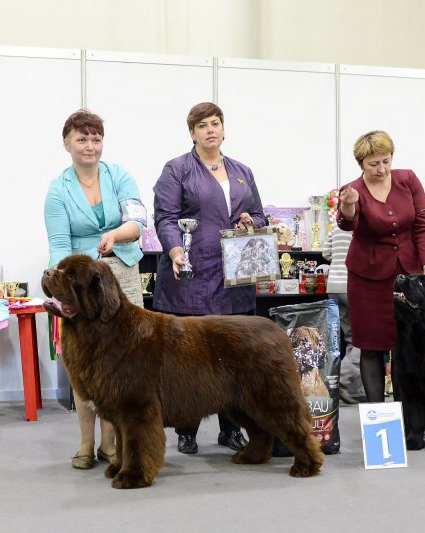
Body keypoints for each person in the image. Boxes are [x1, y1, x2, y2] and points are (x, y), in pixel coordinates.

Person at [152, 102, 267, 455]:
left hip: (234, 276)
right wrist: (175, 250)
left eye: (215, 123)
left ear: (224, 129)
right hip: (192, 275)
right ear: (192, 133)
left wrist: (251, 222)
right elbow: (166, 217)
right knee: (188, 359)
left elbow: (260, 214)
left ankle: (230, 429)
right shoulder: (177, 169)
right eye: (202, 125)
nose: (210, 130)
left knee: (232, 356)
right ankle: (186, 431)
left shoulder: (242, 171)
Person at [44, 109, 146, 469]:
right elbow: (59, 248)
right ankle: (86, 444)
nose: (90, 146)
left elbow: (137, 222)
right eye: (82, 139)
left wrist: (114, 235)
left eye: (96, 139)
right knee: (84, 364)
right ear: (67, 143)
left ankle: (110, 443)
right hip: (81, 286)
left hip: (124, 275)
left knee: (121, 363)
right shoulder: (58, 191)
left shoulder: (120, 176)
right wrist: (75, 278)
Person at [336, 130, 425, 403]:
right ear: (361, 164)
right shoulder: (352, 190)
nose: (381, 169)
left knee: (406, 345)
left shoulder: (408, 179)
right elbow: (347, 223)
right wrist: (348, 206)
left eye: (386, 161)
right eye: (373, 164)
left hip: (407, 277)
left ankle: (407, 412)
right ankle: (377, 415)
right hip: (367, 280)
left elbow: (424, 225)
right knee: (371, 348)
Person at [321, 225, 365, 404]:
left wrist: (339, 259)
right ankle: (342, 378)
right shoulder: (361, 225)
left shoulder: (335, 226)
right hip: (353, 285)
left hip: (333, 286)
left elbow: (326, 252)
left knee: (351, 338)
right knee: (364, 340)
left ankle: (353, 389)